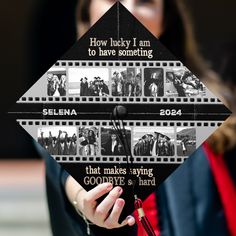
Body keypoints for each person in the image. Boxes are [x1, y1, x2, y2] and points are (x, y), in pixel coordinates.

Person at [41, 1, 236, 236]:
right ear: (87, 14)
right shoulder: (62, 101)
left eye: (145, 1)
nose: (128, 11)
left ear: (166, 19)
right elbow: (63, 168)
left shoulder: (213, 101)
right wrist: (85, 199)